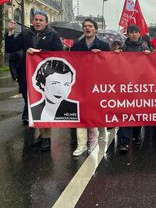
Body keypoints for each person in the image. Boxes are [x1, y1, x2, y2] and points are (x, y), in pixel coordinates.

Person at [5, 10, 64, 151]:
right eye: (36, 19)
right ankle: (41, 134)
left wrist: (40, 53)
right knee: (33, 105)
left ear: (46, 22)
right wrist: (10, 32)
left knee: (44, 104)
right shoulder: (25, 34)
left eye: (41, 20)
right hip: (28, 75)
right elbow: (10, 47)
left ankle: (46, 138)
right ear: (32, 21)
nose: (37, 22)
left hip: (47, 76)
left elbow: (58, 53)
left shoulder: (53, 35)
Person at [70, 18, 110, 156]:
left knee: (98, 111)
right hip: (81, 84)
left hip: (98, 84)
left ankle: (102, 135)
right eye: (85, 26)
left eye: (90, 26)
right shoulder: (76, 46)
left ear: (95, 29)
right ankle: (81, 144)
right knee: (81, 113)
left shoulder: (104, 46)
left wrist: (102, 56)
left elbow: (110, 65)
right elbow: (71, 63)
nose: (87, 28)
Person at [115, 25, 151, 153]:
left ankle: (136, 135)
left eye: (136, 32)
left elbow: (151, 66)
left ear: (139, 34)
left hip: (140, 86)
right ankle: (124, 142)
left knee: (138, 112)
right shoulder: (123, 48)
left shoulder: (145, 48)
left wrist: (149, 55)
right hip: (126, 86)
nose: (134, 34)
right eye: (131, 32)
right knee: (125, 113)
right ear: (128, 34)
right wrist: (117, 54)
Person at [8, 50, 26, 124]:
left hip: (32, 76)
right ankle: (27, 116)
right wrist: (15, 76)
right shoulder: (16, 48)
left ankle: (27, 116)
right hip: (21, 77)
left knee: (30, 97)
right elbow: (12, 63)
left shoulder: (34, 43)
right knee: (26, 96)